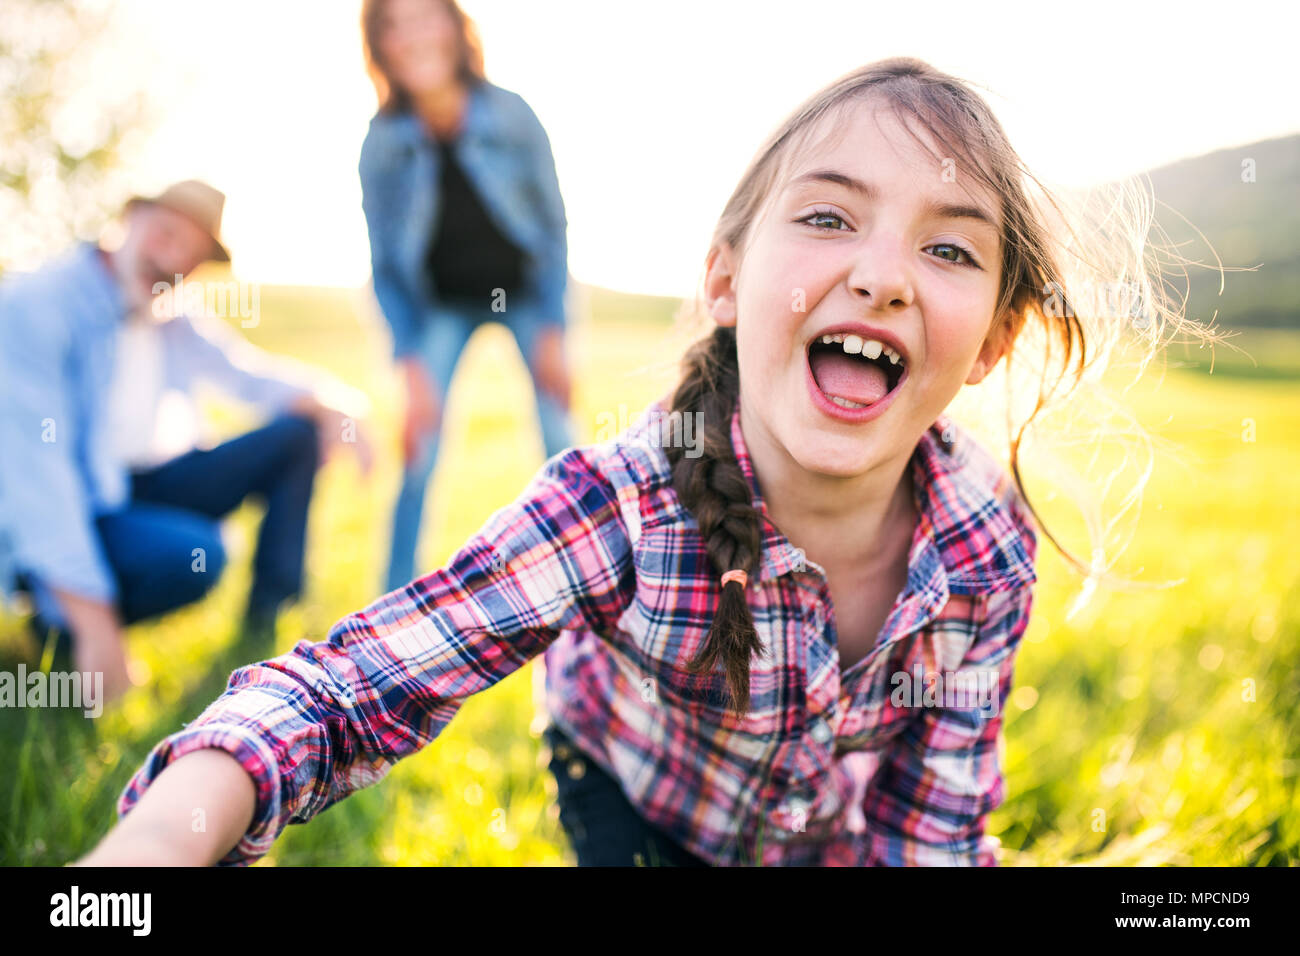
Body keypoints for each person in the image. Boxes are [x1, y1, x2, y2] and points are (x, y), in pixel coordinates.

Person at [77, 58, 1208, 866]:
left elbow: (935, 819)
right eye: (828, 218)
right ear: (723, 280)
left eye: (948, 246)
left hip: (810, 822)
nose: (883, 275)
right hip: (628, 788)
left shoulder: (983, 547)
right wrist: (164, 837)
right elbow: (349, 691)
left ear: (994, 342)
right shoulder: (623, 505)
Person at [0, 180, 371, 704]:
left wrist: (337, 404)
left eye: (192, 257)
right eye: (166, 234)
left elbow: (245, 374)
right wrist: (94, 622)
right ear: (129, 219)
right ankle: (60, 631)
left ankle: (268, 622)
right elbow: (38, 479)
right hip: (81, 505)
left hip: (144, 483)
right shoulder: (38, 305)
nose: (173, 260)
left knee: (295, 436)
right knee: (197, 554)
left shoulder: (167, 307)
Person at [357, 0, 575, 593]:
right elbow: (385, 267)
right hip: (440, 308)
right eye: (393, 26)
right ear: (380, 48)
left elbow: (553, 226)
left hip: (526, 295)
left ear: (456, 28)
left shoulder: (511, 114)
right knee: (418, 448)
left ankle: (595, 591)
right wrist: (409, 365)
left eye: (425, 17)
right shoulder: (381, 142)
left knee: (561, 436)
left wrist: (555, 328)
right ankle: (391, 603)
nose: (412, 36)